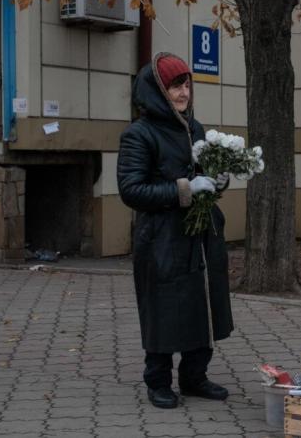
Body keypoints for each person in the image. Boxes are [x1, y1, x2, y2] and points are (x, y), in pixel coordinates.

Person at [117, 52, 233, 409]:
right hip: (161, 238)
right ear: (156, 90)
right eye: (174, 86)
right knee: (163, 308)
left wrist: (217, 182)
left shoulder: (194, 128)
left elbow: (204, 175)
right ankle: (158, 380)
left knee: (201, 303)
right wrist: (185, 188)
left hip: (197, 237)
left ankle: (194, 376)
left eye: (186, 84)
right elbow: (131, 190)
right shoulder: (139, 134)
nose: (183, 93)